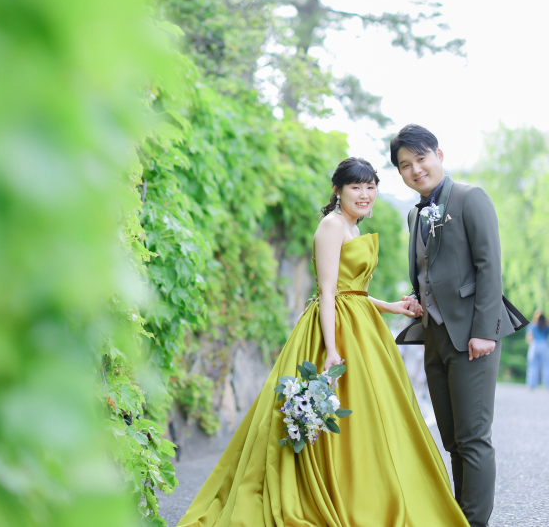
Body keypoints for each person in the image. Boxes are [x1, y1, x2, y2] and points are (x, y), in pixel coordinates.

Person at [176, 158, 469, 527]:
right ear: (338, 190)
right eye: (355, 187)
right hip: (335, 329)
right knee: (334, 409)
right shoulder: (331, 226)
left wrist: (391, 306)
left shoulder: (352, 226)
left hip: (361, 325)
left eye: (370, 187)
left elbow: (353, 290)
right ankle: (329, 490)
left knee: (370, 413)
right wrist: (331, 349)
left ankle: (362, 489)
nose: (364, 194)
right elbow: (328, 292)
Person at [391, 124, 528, 527]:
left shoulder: (471, 198)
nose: (415, 169)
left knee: (473, 436)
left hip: (472, 336)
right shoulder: (415, 215)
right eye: (405, 165)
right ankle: (461, 516)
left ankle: (474, 522)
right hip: (434, 337)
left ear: (439, 156)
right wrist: (416, 297)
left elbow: (489, 267)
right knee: (452, 438)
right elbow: (428, 272)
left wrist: (485, 331)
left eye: (421, 158)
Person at [526, 311, 549, 388]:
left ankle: (532, 384)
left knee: (533, 365)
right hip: (544, 344)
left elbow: (529, 337)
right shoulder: (546, 325)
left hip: (534, 344)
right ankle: (547, 384)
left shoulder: (532, 325)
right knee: (546, 365)